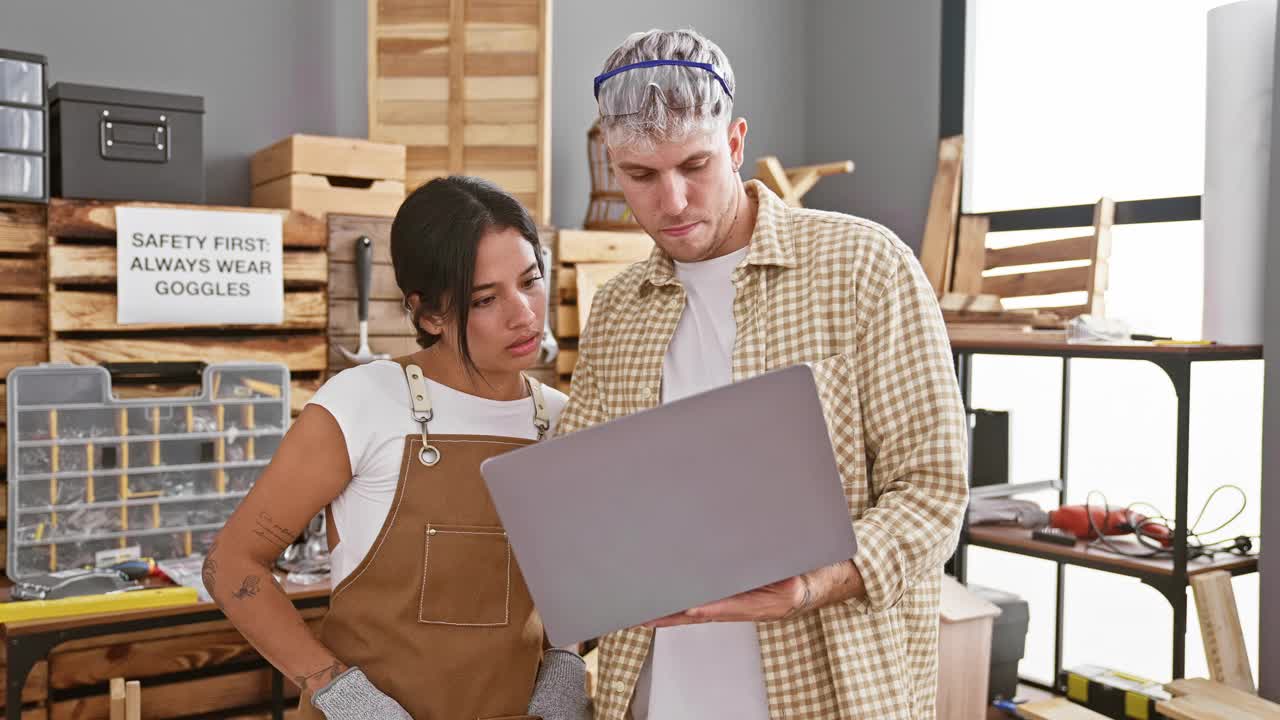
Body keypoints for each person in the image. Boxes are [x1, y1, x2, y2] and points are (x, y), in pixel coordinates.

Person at [557, 29, 969, 720]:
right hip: (657, 692)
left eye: (696, 164)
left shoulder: (866, 267)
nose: (675, 201)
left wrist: (813, 583)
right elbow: (583, 495)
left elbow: (932, 491)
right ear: (613, 163)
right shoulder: (618, 308)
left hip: (831, 690)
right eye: (641, 176)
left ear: (737, 142)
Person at [207, 176, 592, 720]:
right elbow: (231, 564)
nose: (524, 313)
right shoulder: (362, 403)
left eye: (530, 281)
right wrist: (342, 695)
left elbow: (571, 584)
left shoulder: (561, 418)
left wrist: (563, 666)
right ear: (429, 314)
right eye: (486, 299)